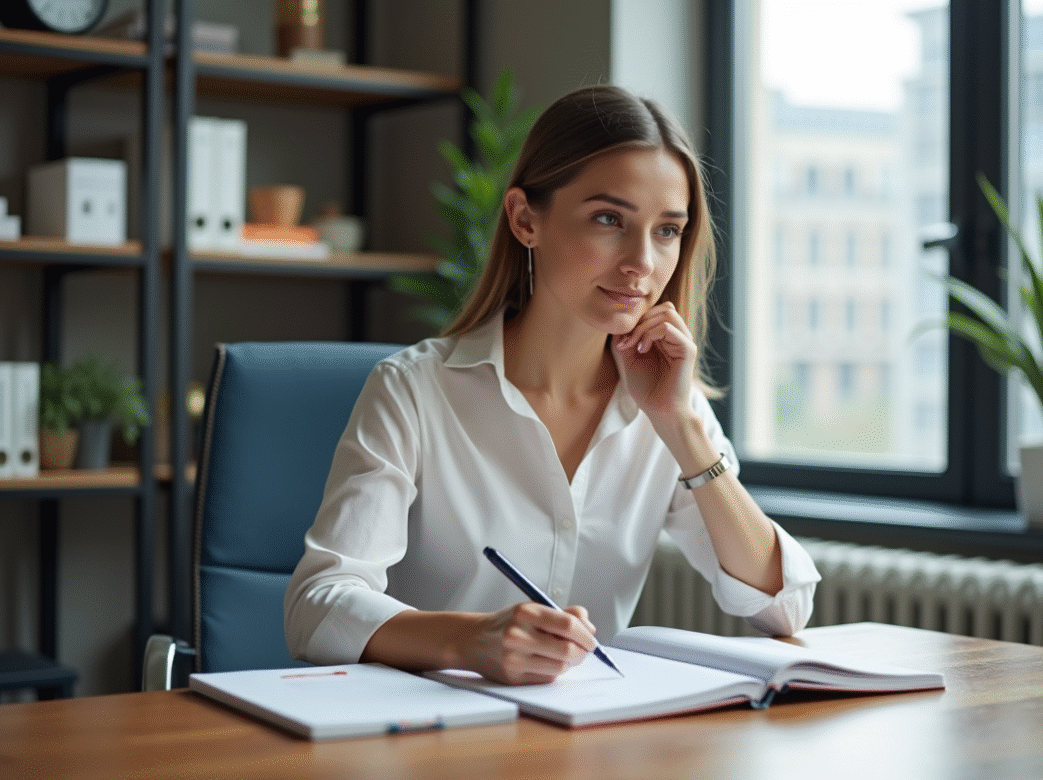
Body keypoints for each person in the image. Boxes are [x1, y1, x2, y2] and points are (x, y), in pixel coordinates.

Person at [284, 84, 820, 685]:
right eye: (608, 219)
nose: (642, 261)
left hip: (588, 741)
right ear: (524, 219)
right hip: (430, 737)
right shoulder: (414, 391)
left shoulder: (669, 409)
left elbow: (784, 606)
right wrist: (473, 640)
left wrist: (682, 428)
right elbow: (317, 606)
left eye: (667, 230)